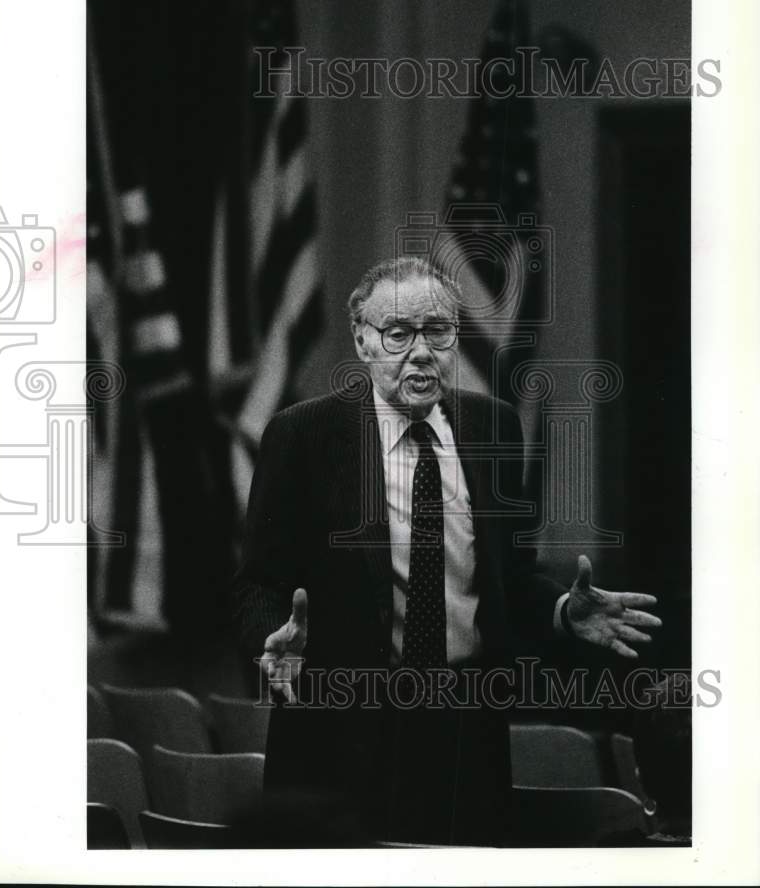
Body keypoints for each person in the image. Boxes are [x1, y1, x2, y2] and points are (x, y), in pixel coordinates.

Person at [233, 256, 662, 846]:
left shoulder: (494, 427)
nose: (421, 351)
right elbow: (257, 582)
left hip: (466, 729)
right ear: (362, 341)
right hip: (342, 730)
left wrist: (564, 610)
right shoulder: (302, 435)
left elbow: (511, 578)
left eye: (437, 331)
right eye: (398, 333)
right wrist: (270, 638)